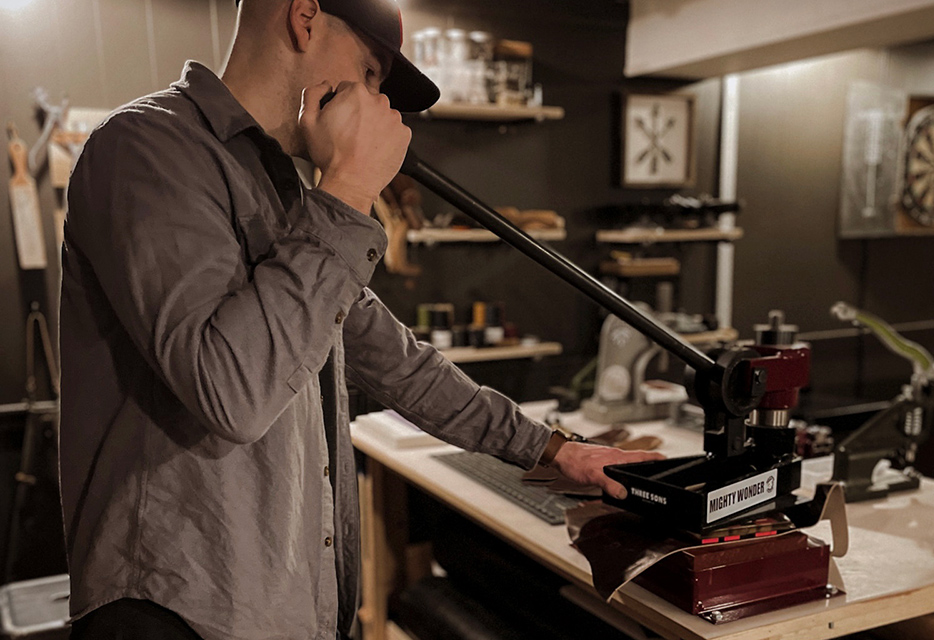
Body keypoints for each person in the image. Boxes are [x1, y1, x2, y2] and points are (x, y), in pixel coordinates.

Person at [58, 0, 662, 638]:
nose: (380, 104)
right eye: (372, 74)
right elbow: (231, 392)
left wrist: (555, 449)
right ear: (306, 17)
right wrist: (347, 189)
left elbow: (396, 361)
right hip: (172, 613)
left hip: (272, 606)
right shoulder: (147, 149)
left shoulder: (283, 194)